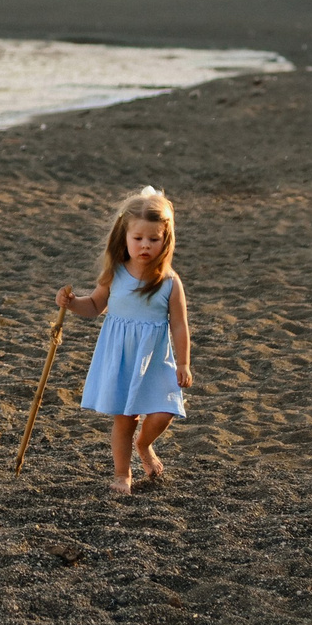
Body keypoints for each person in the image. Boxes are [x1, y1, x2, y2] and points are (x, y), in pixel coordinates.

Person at [56, 186, 193, 495]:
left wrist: (183, 362)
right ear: (125, 237)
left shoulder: (170, 283)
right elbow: (93, 306)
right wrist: (71, 302)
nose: (145, 245)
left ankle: (144, 444)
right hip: (122, 357)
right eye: (138, 238)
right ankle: (122, 474)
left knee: (164, 411)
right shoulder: (115, 273)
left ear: (165, 241)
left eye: (153, 239)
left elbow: (180, 325)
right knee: (125, 418)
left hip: (156, 358)